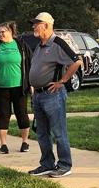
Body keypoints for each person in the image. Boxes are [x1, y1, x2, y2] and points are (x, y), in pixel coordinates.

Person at [28, 12, 82, 178]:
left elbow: (77, 61)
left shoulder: (57, 43)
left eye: (36, 23)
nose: (33, 26)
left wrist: (63, 80)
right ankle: (47, 164)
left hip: (53, 95)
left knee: (59, 132)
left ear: (46, 25)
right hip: (38, 95)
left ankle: (65, 165)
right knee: (42, 132)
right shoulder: (40, 45)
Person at [0, 21, 32, 154]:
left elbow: (31, 63)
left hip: (20, 86)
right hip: (1, 87)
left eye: (3, 31)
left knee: (22, 114)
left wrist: (31, 83)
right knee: (4, 114)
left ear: (11, 32)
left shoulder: (21, 45)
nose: (0, 34)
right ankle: (3, 145)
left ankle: (25, 142)